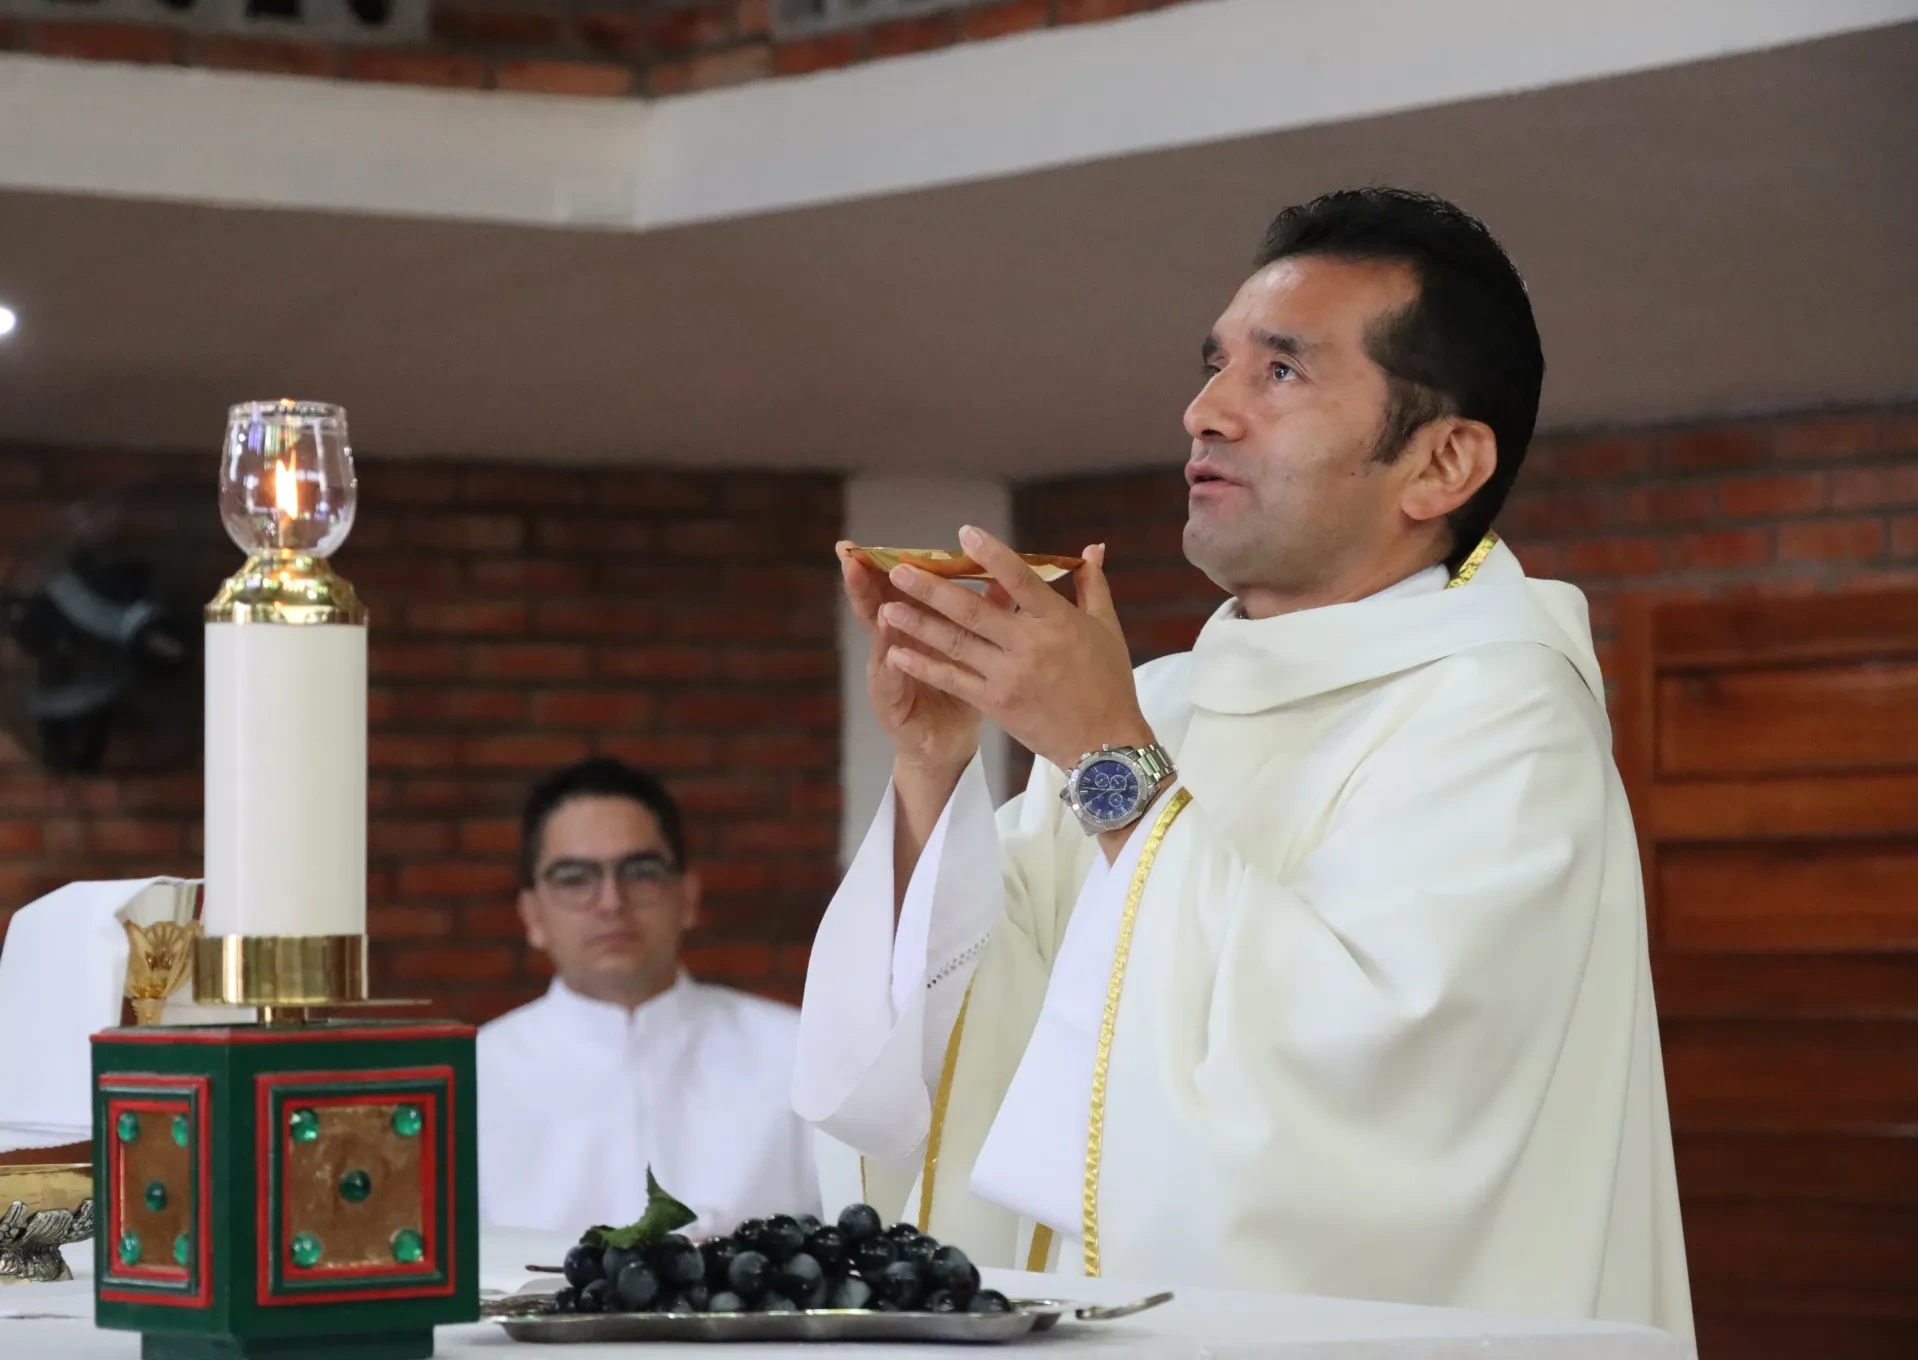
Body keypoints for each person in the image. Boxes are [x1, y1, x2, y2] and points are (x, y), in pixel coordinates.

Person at [793, 188, 1691, 1336]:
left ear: (1440, 462)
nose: (1204, 411)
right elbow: (984, 1023)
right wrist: (932, 765)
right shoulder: (1159, 703)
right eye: (1214, 365)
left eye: (1279, 371)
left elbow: (1362, 1094)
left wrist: (1104, 753)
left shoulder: (1502, 713)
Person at [477, 756, 818, 1235]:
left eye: (640, 871)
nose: (611, 902)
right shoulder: (474, 1078)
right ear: (532, 914)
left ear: (688, 897)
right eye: (574, 878)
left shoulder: (798, 1054)